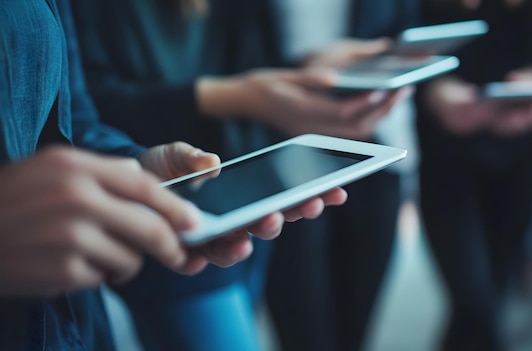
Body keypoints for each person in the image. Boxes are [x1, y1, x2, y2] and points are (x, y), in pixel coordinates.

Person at [0, 0, 347, 349]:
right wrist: (232, 96)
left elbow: (74, 115)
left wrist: (132, 164)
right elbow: (103, 95)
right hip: (88, 260)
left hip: (210, 191)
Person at [70, 1, 409, 350]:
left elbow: (248, 66)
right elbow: (85, 106)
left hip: (239, 186)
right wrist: (236, 97)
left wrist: (301, 71)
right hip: (163, 203)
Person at [236, 1, 423, 350]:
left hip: (378, 146)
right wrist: (301, 71)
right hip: (282, 151)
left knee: (356, 326)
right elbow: (231, 50)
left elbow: (406, 26)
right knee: (306, 329)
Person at [414, 0, 532, 350]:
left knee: (491, 294)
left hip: (519, 154)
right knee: (473, 297)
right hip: (446, 155)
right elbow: (396, 31)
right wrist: (433, 88)